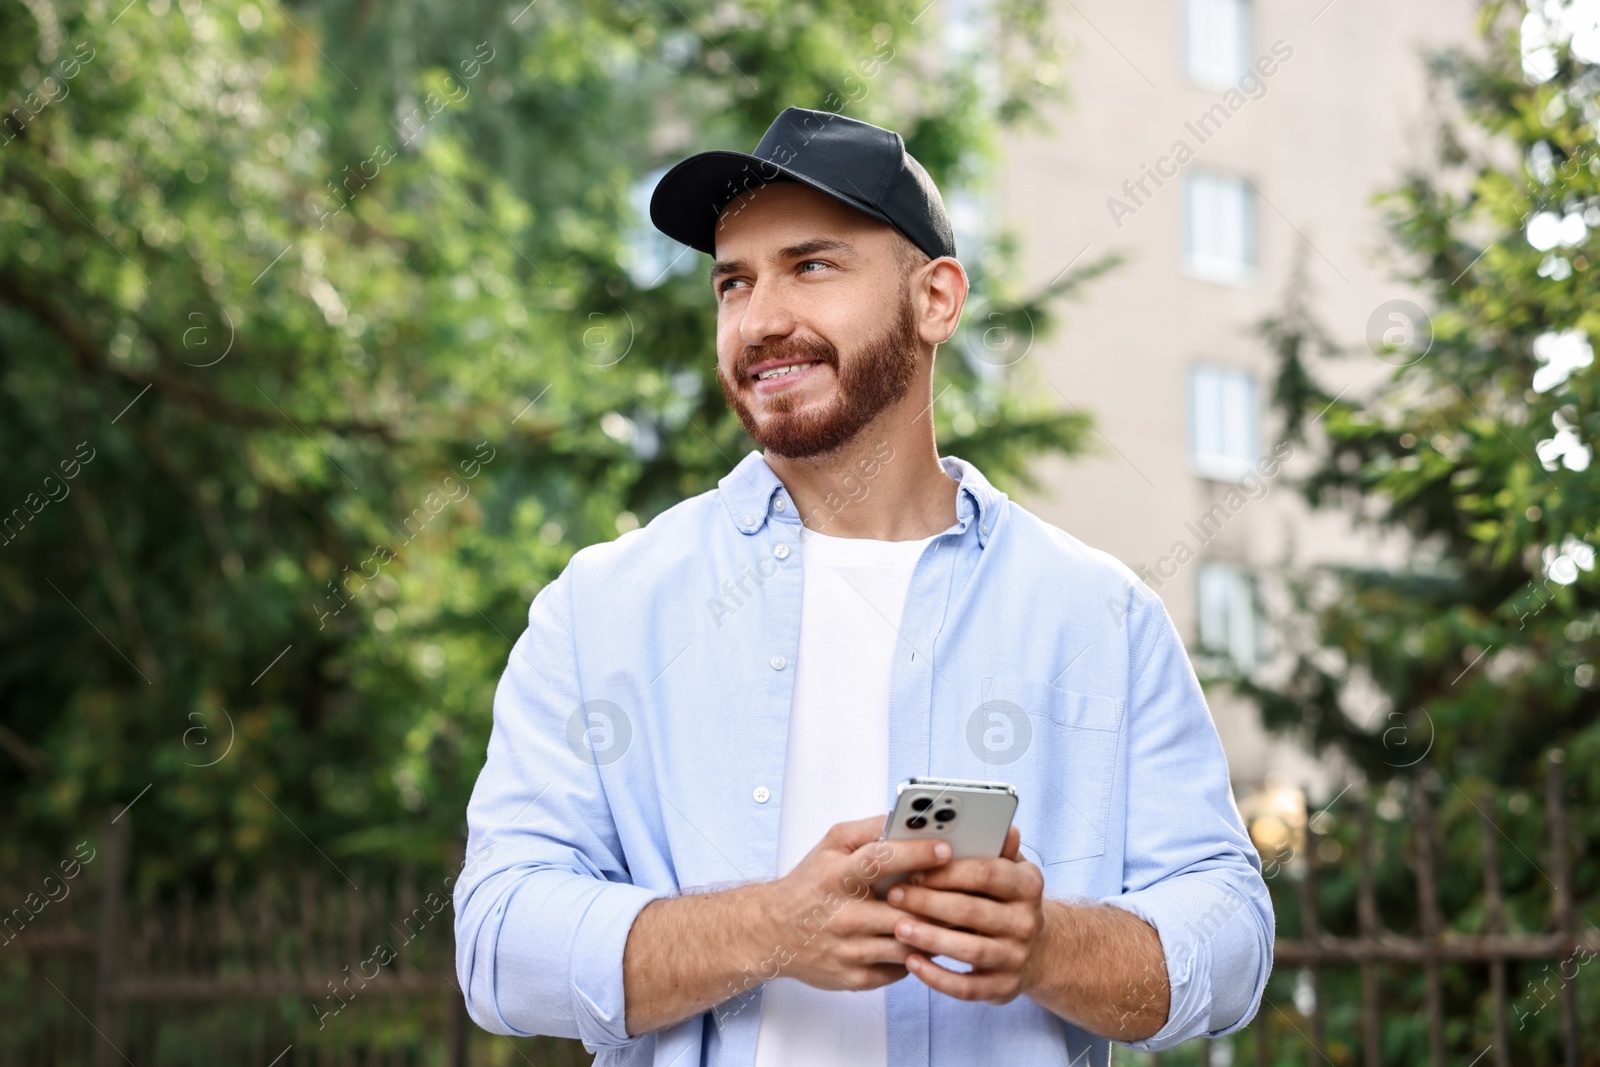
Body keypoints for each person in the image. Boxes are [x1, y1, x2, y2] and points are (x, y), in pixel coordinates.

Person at [454, 106, 1273, 1067]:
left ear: (936, 299)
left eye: (811, 265)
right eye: (733, 283)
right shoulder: (601, 609)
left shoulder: (1100, 615)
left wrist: (1046, 945)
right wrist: (771, 928)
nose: (759, 320)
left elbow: (1231, 938)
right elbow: (498, 943)